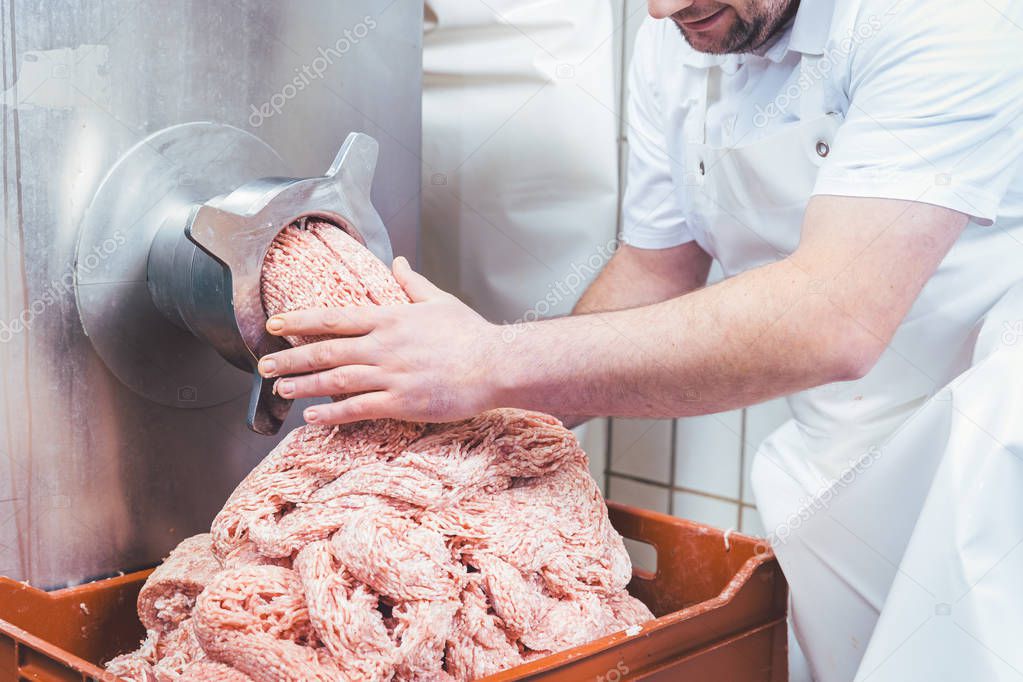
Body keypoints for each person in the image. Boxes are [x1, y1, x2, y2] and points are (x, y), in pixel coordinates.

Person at [255, 1, 1023, 679]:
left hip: (986, 453)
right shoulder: (686, 35)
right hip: (833, 461)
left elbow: (834, 320)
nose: (659, 11)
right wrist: (455, 449)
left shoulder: (941, 17)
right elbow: (654, 271)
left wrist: (488, 363)